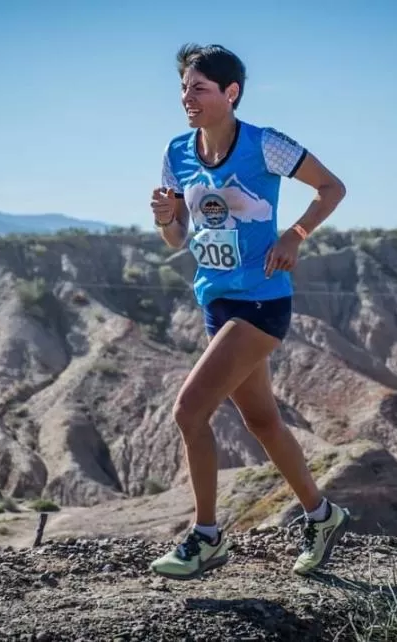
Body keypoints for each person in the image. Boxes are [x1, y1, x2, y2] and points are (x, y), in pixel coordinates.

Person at [148, 43, 349, 581]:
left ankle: (207, 536)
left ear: (230, 93)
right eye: (184, 88)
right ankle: (323, 517)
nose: (187, 97)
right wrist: (167, 218)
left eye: (199, 88)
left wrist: (296, 234)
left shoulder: (265, 145)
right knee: (261, 420)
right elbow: (175, 241)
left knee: (189, 410)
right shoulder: (176, 151)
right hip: (216, 302)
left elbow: (332, 188)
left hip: (262, 301)